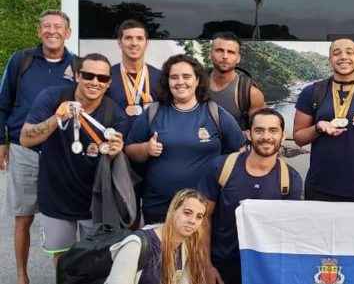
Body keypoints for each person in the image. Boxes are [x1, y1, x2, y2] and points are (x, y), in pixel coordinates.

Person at [20, 53, 128, 263]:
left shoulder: (114, 113)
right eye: (89, 75)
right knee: (62, 261)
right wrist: (56, 118)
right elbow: (25, 139)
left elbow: (119, 159)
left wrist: (116, 151)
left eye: (102, 78)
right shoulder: (52, 98)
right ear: (78, 75)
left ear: (108, 83)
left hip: (94, 203)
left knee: (92, 262)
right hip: (56, 199)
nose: (95, 82)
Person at [0, 9, 77, 284]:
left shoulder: (77, 66)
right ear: (39, 31)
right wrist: (2, 142)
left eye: (58, 26)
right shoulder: (21, 61)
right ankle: (22, 276)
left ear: (67, 33)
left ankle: (64, 276)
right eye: (46, 26)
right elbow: (3, 102)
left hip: (61, 154)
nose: (52, 31)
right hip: (25, 150)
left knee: (62, 218)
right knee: (23, 217)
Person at [125, 54, 245, 224]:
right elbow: (129, 149)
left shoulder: (215, 113)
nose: (180, 82)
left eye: (187, 76)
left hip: (202, 209)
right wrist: (146, 149)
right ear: (167, 81)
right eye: (174, 77)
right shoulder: (154, 112)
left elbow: (241, 152)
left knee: (197, 251)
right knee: (161, 250)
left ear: (197, 81)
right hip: (159, 207)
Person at [199, 108, 303, 284]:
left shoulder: (290, 179)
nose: (266, 137)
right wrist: (206, 265)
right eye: (259, 130)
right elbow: (202, 218)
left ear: (283, 136)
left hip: (266, 270)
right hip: (222, 267)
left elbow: (290, 233)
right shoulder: (222, 167)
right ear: (248, 134)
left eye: (273, 130)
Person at [293, 37, 354, 201]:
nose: (343, 56)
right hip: (318, 187)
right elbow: (299, 138)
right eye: (337, 53)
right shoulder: (312, 92)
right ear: (330, 60)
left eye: (349, 52)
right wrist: (318, 127)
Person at [105, 189, 210, 284]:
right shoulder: (136, 245)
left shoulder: (185, 247)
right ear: (173, 211)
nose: (192, 221)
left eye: (199, 217)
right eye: (187, 213)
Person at [207, 32, 265, 131]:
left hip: (235, 146)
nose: (225, 56)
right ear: (210, 54)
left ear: (238, 58)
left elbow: (259, 131)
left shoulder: (251, 94)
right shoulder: (194, 84)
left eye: (231, 52)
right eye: (219, 50)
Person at [106, 19, 163, 120]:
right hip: (118, 134)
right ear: (119, 42)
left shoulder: (160, 77)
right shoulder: (107, 76)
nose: (134, 43)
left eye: (139, 38)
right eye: (128, 38)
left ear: (146, 43)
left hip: (150, 135)